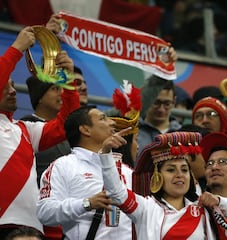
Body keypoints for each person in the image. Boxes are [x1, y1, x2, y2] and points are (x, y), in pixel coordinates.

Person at [0, 27, 80, 238]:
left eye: (13, 85)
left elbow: (68, 124)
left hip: (30, 228)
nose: (13, 90)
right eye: (5, 86)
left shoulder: (25, 129)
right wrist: (17, 49)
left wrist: (67, 80)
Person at [99, 131, 227, 239]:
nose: (179, 175)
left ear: (191, 176)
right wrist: (106, 153)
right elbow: (117, 193)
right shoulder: (146, 208)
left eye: (185, 170)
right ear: (158, 177)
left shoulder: (202, 210)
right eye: (171, 170)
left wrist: (220, 202)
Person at [36, 105, 135, 240]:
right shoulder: (63, 166)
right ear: (85, 129)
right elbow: (45, 212)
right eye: (103, 119)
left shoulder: (126, 170)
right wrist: (87, 203)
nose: (112, 122)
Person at [20, 76, 71, 187]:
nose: (61, 93)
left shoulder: (68, 129)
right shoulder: (25, 130)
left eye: (62, 89)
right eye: (55, 89)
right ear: (40, 97)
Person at [137, 76, 182, 158]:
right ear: (147, 100)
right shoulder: (133, 132)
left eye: (167, 104)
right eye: (156, 103)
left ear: (174, 101)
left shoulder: (182, 134)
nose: (161, 109)